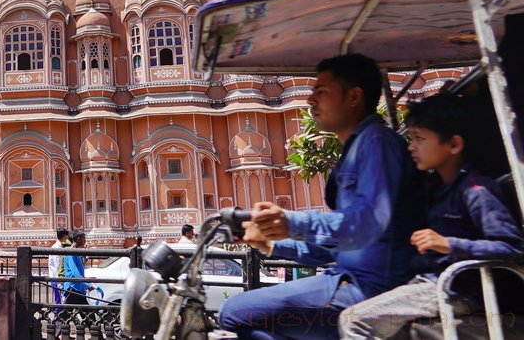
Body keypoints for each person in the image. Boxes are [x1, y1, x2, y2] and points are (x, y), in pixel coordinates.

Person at [218, 53, 424, 339]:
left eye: (321, 92)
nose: (311, 100)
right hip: (347, 278)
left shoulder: (376, 142)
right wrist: (273, 245)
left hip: (369, 286)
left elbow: (365, 224)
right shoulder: (357, 149)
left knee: (234, 312)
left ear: (354, 97)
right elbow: (338, 246)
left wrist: (291, 222)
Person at [339, 94, 524, 339]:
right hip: (427, 283)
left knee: (354, 322)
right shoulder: (435, 189)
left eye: (419, 139)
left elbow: (513, 248)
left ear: (454, 145)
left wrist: (448, 244)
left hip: (455, 289)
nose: (411, 146)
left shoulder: (478, 191)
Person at [62, 230, 94, 306]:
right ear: (78, 239)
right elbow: (75, 272)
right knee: (65, 314)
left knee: (88, 315)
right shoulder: (71, 252)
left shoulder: (76, 252)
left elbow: (80, 267)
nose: (85, 240)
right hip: (73, 288)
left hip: (78, 288)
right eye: (84, 238)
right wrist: (87, 285)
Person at [47, 228, 71, 305]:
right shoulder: (57, 248)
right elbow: (58, 264)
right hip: (57, 278)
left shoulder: (59, 246)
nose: (67, 238)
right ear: (64, 236)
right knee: (59, 301)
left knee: (60, 299)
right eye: (67, 236)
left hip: (58, 278)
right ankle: (58, 316)